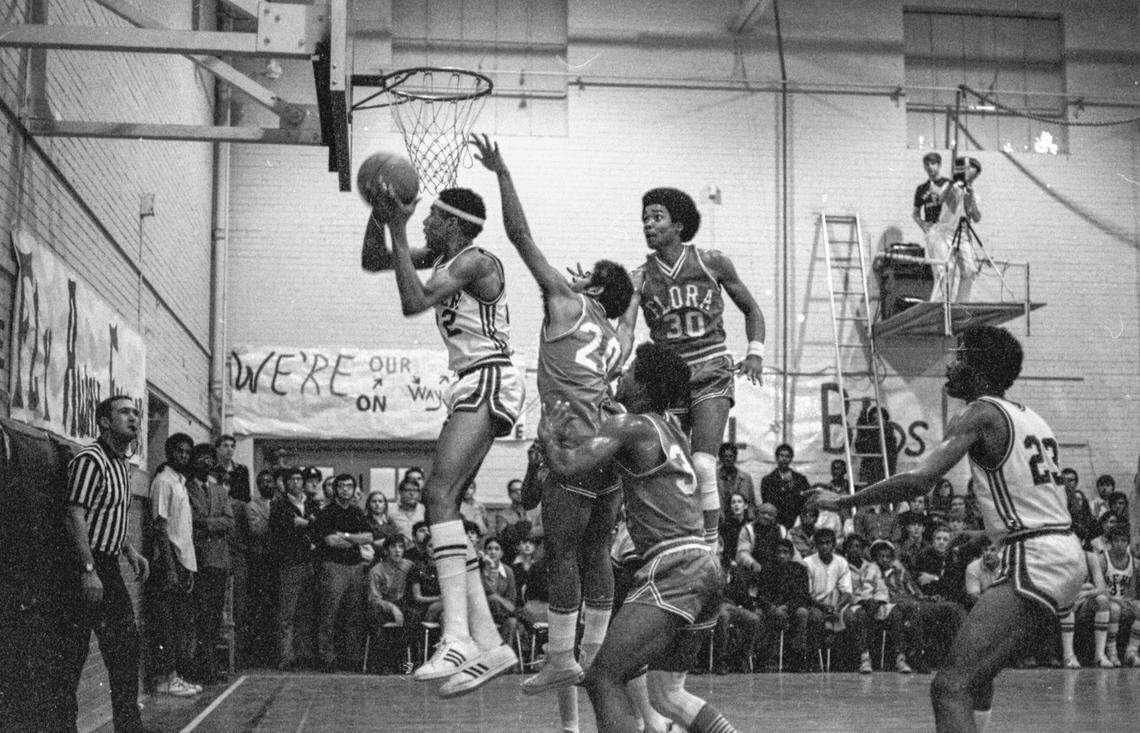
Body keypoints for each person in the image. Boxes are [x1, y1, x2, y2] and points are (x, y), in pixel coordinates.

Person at [810, 325, 1084, 733]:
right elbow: (1043, 500)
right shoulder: (1032, 418)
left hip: (1035, 559)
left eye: (958, 357)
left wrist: (842, 502)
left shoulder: (979, 413)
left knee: (949, 686)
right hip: (1059, 551)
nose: (949, 368)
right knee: (977, 675)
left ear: (977, 367)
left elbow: (919, 480)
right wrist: (985, 534)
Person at [470, 135, 635, 705]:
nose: (575, 271)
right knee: (597, 555)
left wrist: (503, 172)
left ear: (593, 287)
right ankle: (595, 653)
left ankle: (562, 657)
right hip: (610, 449)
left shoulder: (566, 300)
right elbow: (629, 304)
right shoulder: (618, 335)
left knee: (560, 553)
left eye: (586, 272)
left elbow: (519, 237)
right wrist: (624, 284)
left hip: (572, 441)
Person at [367, 174, 522, 696]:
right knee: (447, 503)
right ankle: (488, 639)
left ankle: (457, 635)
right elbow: (373, 259)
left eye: (432, 216)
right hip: (471, 379)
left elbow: (414, 302)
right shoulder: (441, 258)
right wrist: (380, 213)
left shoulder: (476, 260)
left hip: (490, 374)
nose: (425, 221)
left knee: (437, 493)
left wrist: (397, 225)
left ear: (453, 224)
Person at [541, 342, 741, 733]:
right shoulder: (672, 431)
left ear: (645, 388)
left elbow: (567, 466)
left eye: (630, 370)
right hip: (707, 565)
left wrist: (549, 436)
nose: (622, 375)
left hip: (675, 567)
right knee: (667, 694)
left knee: (602, 677)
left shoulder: (631, 427)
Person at [619, 186, 766, 552]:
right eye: (645, 219)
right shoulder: (640, 276)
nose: (648, 225)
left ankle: (710, 547)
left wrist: (755, 352)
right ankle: (666, 534)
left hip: (710, 364)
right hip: (668, 375)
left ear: (679, 225)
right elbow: (624, 327)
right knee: (670, 465)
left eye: (657, 218)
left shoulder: (711, 261)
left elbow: (752, 309)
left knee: (703, 463)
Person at [60, 395, 157, 733]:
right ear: (104, 422)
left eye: (136, 413)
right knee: (72, 658)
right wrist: (88, 570)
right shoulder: (92, 459)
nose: (134, 418)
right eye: (124, 412)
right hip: (85, 567)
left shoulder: (119, 463)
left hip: (110, 565)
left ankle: (130, 728)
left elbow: (108, 512)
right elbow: (75, 515)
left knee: (126, 651)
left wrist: (130, 550)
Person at [146, 432, 200, 697]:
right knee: (166, 624)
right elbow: (160, 526)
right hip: (169, 563)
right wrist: (170, 567)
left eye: (188, 452)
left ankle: (174, 676)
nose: (184, 456)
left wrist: (187, 566)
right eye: (179, 451)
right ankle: (166, 679)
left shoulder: (180, 482)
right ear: (169, 453)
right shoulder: (163, 481)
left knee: (179, 624)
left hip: (183, 562)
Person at [314, 473, 372, 671]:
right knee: (329, 614)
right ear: (335, 489)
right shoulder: (326, 512)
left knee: (354, 614)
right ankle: (327, 659)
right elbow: (331, 541)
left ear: (354, 489)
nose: (345, 489)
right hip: (333, 567)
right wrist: (355, 539)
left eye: (349, 486)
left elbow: (368, 537)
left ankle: (352, 659)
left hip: (356, 568)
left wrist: (346, 536)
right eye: (341, 486)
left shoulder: (357, 512)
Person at [187, 466, 235, 684]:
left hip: (218, 559)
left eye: (209, 459)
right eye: (201, 459)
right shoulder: (186, 487)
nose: (204, 462)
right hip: (198, 558)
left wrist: (206, 523)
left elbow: (229, 521)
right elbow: (192, 519)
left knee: (214, 616)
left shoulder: (219, 491)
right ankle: (201, 666)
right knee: (200, 615)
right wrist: (214, 523)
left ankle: (211, 665)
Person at [270, 466, 318, 670]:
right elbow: (284, 529)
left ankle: (303, 655)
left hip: (310, 563)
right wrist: (307, 524)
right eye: (292, 479)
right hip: (290, 564)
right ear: (286, 482)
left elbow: (318, 528)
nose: (296, 482)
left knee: (305, 613)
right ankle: (286, 656)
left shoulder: (313, 504)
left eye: (299, 479)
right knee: (287, 613)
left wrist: (303, 524)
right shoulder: (279, 505)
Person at [926, 157, 982, 303]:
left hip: (962, 236)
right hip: (943, 234)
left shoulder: (973, 195)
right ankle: (938, 307)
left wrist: (970, 194)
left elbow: (976, 217)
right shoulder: (951, 187)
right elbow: (940, 199)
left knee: (970, 271)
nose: (969, 174)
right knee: (945, 271)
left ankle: (961, 306)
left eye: (972, 172)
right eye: (968, 170)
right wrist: (953, 182)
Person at [1101, 526, 1140, 666]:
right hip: (1105, 601)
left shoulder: (1134, 562)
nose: (1120, 543)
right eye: (1116, 540)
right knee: (1115, 609)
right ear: (1110, 542)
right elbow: (1098, 588)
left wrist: (1131, 600)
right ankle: (1112, 652)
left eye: (1123, 540)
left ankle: (1131, 651)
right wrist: (1115, 600)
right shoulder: (1103, 559)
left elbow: (1134, 589)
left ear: (1128, 543)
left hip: (1123, 602)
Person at [760, 443, 810, 530]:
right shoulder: (767, 480)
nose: (784, 459)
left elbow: (806, 501)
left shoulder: (800, 479)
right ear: (776, 458)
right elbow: (768, 502)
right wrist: (785, 489)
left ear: (791, 459)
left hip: (796, 524)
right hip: (775, 524)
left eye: (787, 456)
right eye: (781, 456)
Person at [913, 152, 950, 235]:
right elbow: (915, 213)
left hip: (948, 229)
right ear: (924, 167)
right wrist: (922, 224)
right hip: (932, 230)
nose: (930, 167)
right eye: (927, 164)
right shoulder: (921, 188)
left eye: (933, 163)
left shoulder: (948, 184)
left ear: (939, 165)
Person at [716, 442, 756, 509]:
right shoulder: (714, 478)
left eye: (731, 456)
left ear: (735, 458)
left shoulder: (745, 478)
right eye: (725, 456)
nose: (728, 459)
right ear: (720, 458)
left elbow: (751, 502)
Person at [215, 433, 250, 502]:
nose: (230, 449)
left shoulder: (241, 470)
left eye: (232, 446)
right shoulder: (213, 470)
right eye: (225, 446)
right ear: (218, 449)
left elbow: (246, 497)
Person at [391, 477, 426, 543]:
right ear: (400, 492)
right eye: (408, 490)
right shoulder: (390, 510)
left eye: (415, 490)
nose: (412, 493)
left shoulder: (424, 510)